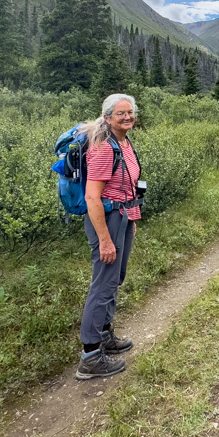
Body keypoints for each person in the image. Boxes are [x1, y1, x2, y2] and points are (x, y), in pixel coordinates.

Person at [75, 93, 143, 380]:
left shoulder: (123, 142)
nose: (127, 117)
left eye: (130, 112)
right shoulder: (104, 148)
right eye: (121, 114)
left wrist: (132, 219)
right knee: (104, 282)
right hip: (107, 220)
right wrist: (104, 238)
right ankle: (90, 356)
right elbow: (92, 197)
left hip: (123, 218)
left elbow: (128, 186)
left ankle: (103, 334)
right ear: (107, 117)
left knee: (116, 277)